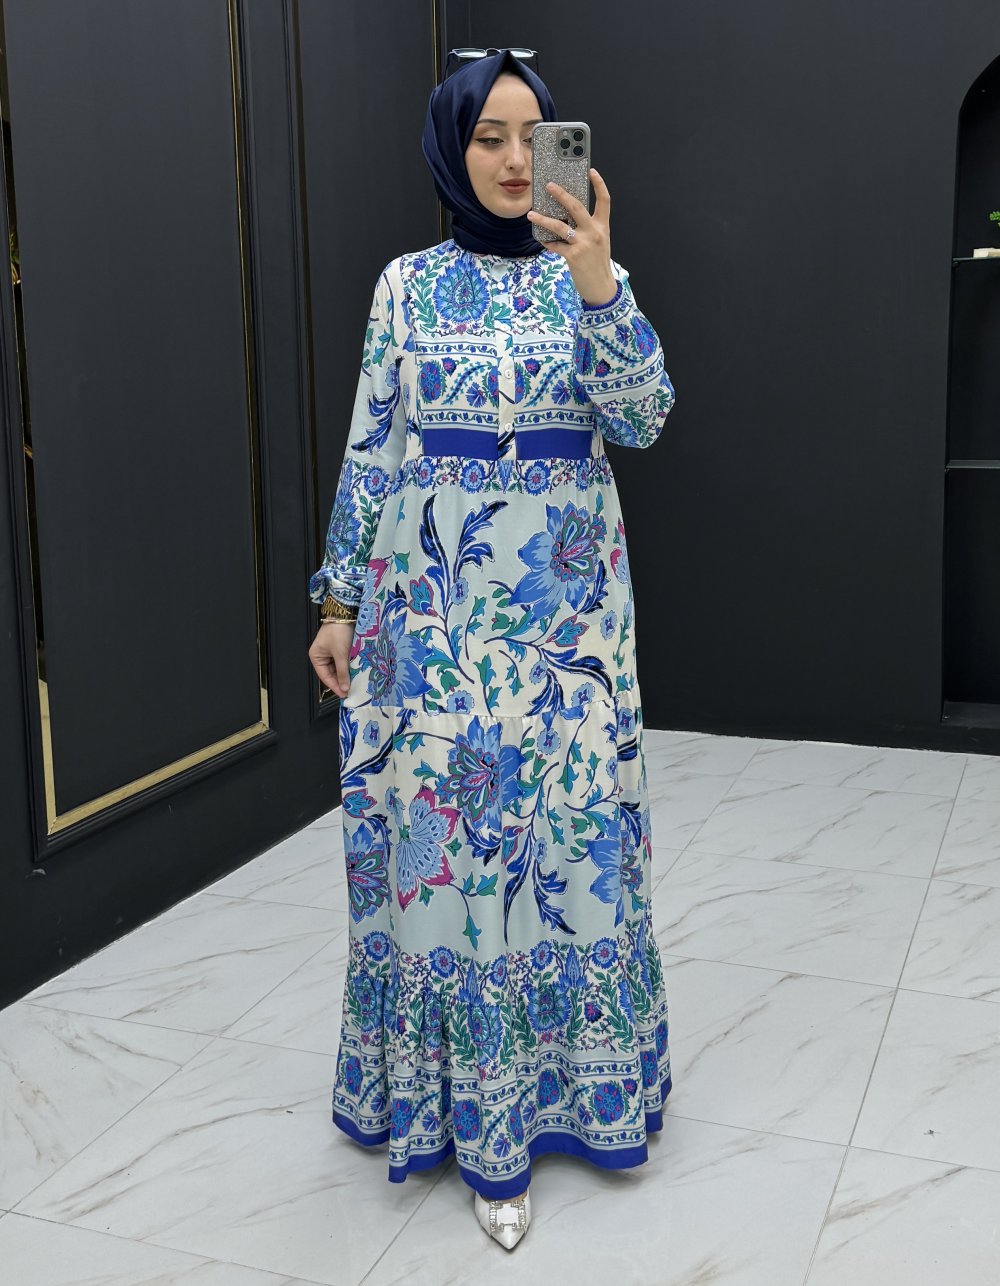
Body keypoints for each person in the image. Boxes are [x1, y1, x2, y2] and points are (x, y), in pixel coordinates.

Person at [307, 47, 676, 1252]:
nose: (517, 161)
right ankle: (475, 1123)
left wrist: (599, 285)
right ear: (450, 148)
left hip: (568, 624)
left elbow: (643, 419)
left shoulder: (590, 274)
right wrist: (336, 603)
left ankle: (579, 1090)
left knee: (565, 845)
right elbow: (373, 447)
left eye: (535, 135)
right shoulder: (405, 287)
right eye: (488, 137)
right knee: (455, 859)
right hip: (431, 625)